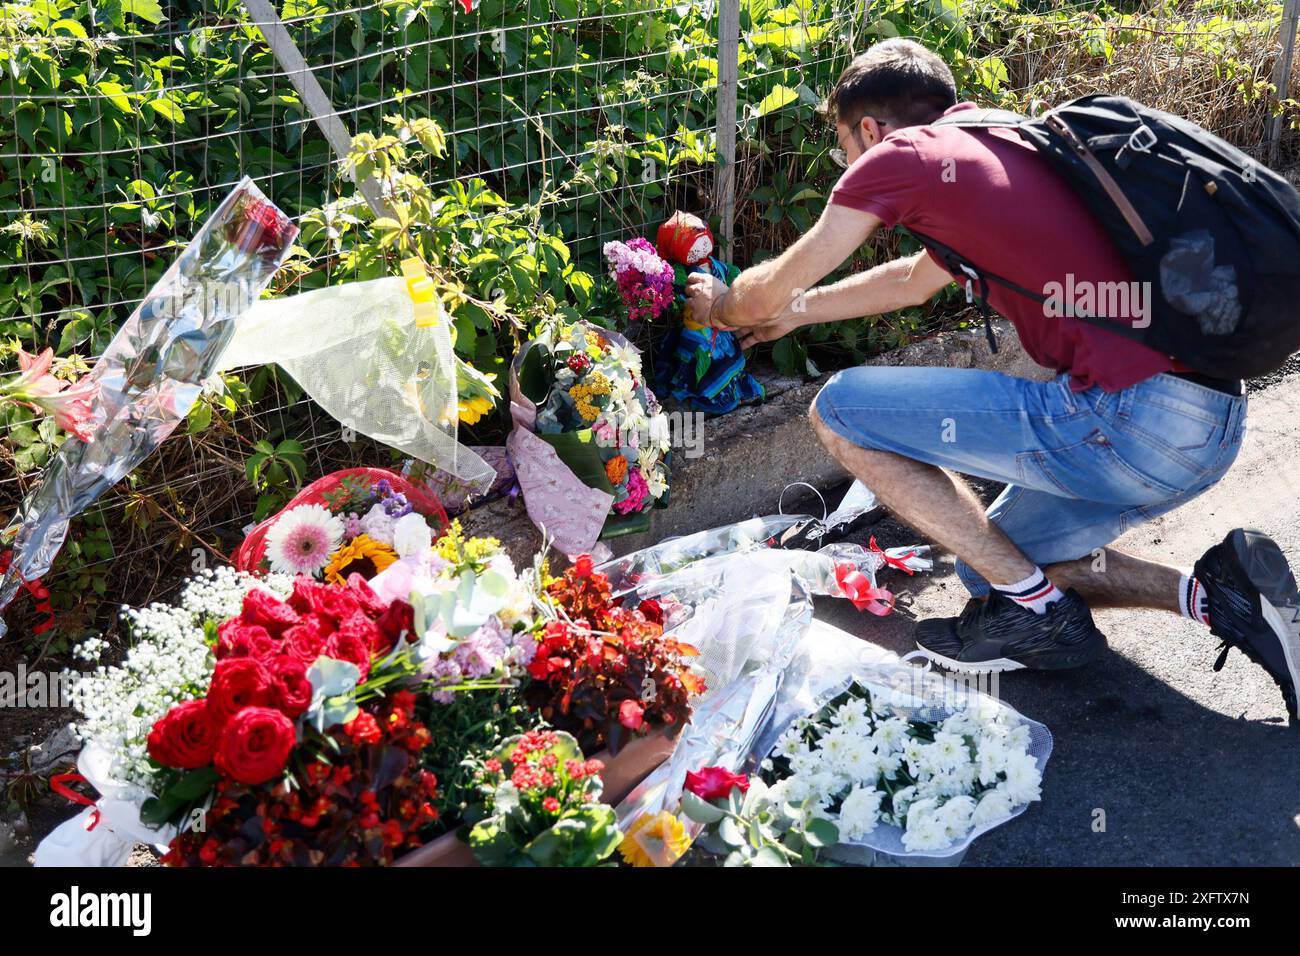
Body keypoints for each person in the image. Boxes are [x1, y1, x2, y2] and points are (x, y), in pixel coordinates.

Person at [684, 37, 1299, 721]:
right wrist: (795, 317)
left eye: (843, 149)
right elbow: (913, 284)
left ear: (868, 129)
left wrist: (722, 305)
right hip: (1205, 430)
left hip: (1128, 422)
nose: (851, 164)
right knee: (991, 566)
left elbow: (759, 296)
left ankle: (1041, 617)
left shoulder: (903, 156)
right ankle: (1223, 597)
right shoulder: (1003, 141)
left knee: (839, 411)